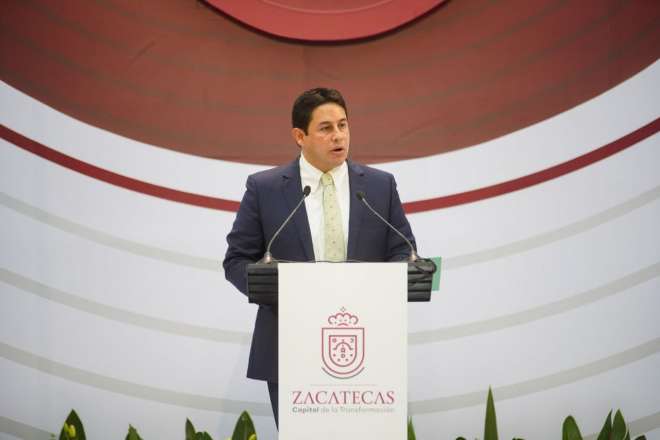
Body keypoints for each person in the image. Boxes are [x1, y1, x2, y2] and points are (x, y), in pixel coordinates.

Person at [222, 87, 416, 426]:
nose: (338, 136)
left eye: (343, 125)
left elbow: (403, 249)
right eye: (326, 128)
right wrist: (284, 290)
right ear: (300, 136)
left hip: (366, 342)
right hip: (290, 346)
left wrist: (388, 281)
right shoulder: (265, 188)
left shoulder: (379, 186)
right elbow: (237, 260)